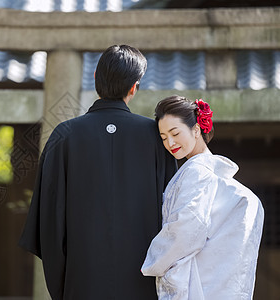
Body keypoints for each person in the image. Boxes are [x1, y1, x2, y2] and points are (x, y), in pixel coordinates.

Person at [18, 45, 177, 299]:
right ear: (134, 87)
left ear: (95, 78)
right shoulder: (156, 138)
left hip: (81, 282)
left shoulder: (64, 135)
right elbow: (173, 214)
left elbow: (48, 220)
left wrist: (64, 283)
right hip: (143, 282)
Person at [141, 95, 264, 299]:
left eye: (175, 133)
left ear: (196, 130)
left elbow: (187, 228)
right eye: (163, 137)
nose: (170, 143)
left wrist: (153, 262)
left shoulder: (196, 172)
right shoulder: (212, 173)